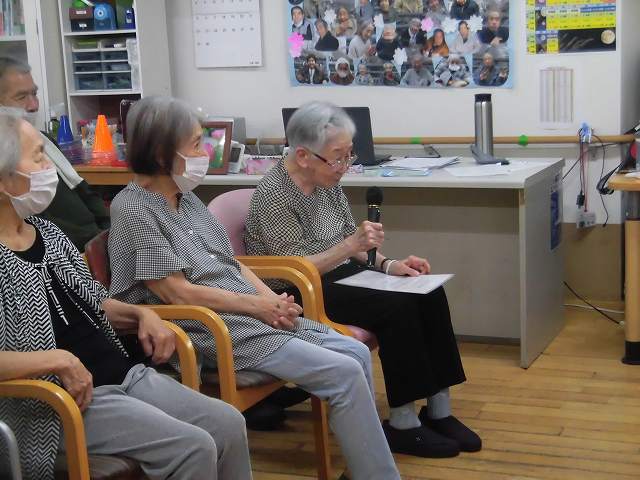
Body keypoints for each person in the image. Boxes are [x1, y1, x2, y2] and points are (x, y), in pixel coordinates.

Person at [107, 96, 401, 480]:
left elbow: (232, 264)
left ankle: (362, 463)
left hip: (246, 314)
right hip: (210, 327)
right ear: (163, 153)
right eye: (196, 144)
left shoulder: (188, 199)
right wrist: (256, 307)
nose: (205, 152)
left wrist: (271, 299)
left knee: (354, 353)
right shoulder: (133, 208)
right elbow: (176, 293)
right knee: (342, 371)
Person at [0, 112, 252, 480]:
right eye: (38, 156)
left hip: (121, 375)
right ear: (4, 178)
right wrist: (58, 360)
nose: (49, 167)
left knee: (228, 422)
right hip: (59, 404)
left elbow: (92, 302)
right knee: (193, 446)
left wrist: (141, 316)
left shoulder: (47, 233)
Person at [245, 101, 482, 459]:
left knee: (426, 291)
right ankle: (402, 424)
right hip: (297, 289)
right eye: (337, 157)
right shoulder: (273, 195)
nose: (344, 167)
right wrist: (351, 245)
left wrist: (390, 266)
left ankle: (439, 410)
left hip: (337, 272)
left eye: (348, 156)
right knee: (397, 306)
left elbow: (349, 239)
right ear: (303, 155)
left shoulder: (325, 179)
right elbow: (293, 269)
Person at [0, 56, 109, 251]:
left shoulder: (44, 140)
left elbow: (83, 190)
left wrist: (108, 231)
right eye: (21, 97)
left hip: (94, 243)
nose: (33, 105)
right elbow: (39, 221)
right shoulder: (8, 159)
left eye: (35, 94)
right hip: (68, 249)